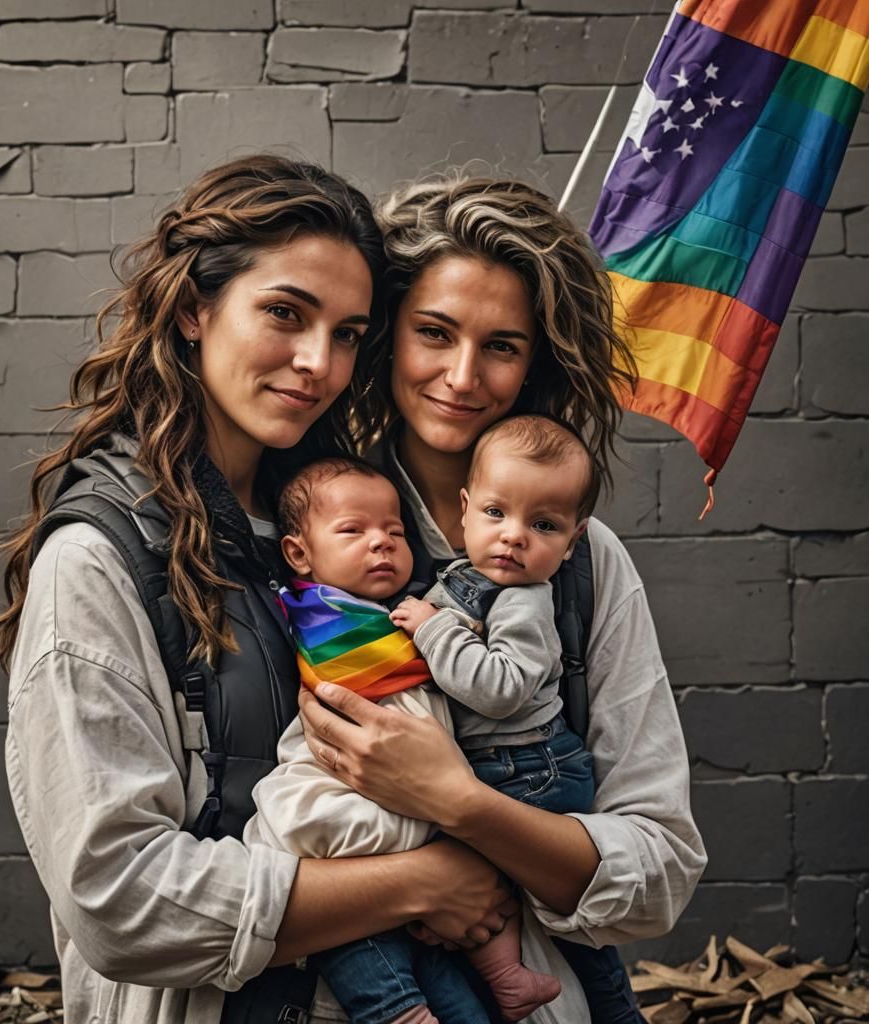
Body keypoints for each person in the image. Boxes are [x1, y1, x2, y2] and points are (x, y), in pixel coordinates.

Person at [0, 157, 516, 1024]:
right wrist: (420, 882)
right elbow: (119, 899)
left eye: (347, 334)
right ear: (194, 308)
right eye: (284, 313)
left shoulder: (344, 523)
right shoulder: (98, 558)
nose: (318, 363)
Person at [294, 176, 708, 1024]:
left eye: (502, 347)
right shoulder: (310, 536)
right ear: (386, 337)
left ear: (538, 363)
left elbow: (659, 872)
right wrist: (417, 877)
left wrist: (462, 805)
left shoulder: (586, 568)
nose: (461, 375)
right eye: (433, 333)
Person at [248, 416, 601, 1024]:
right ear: (300, 554)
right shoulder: (319, 608)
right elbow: (408, 667)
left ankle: (500, 979)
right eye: (354, 530)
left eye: (394, 530)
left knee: (448, 937)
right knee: (367, 931)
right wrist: (449, 626)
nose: (383, 542)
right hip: (349, 804)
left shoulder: (389, 600)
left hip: (408, 796)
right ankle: (395, 1009)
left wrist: (438, 614)